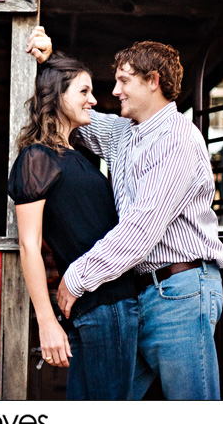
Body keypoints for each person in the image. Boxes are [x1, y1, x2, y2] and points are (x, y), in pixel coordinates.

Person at [27, 27, 223, 400]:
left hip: (181, 292)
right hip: (143, 295)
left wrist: (77, 277)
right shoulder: (128, 132)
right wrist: (50, 62)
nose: (114, 91)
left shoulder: (177, 139)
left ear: (153, 81)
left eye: (124, 81)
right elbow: (78, 114)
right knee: (107, 401)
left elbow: (141, 229)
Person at [8, 51, 140, 400]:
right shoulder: (37, 158)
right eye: (83, 92)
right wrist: (47, 321)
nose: (94, 100)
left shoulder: (78, 156)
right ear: (57, 96)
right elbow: (29, 246)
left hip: (110, 305)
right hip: (101, 308)